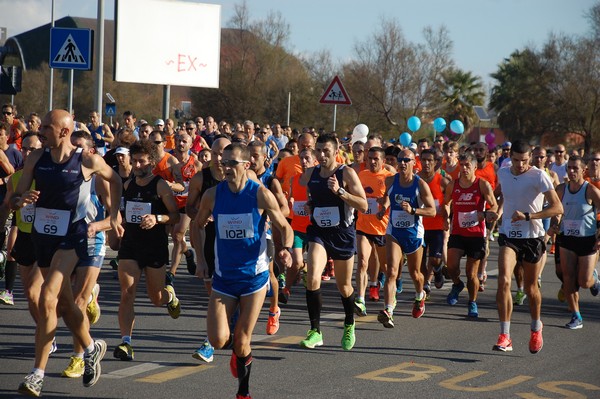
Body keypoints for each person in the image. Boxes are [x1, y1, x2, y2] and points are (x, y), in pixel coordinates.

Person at [12, 109, 122, 396]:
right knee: (64, 304)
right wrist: (20, 199)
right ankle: (91, 347)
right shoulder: (36, 158)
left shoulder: (86, 160)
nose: (41, 129)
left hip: (72, 236)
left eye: (47, 126)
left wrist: (112, 217)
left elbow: (117, 180)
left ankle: (37, 374)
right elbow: (15, 196)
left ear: (63, 131)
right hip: (43, 236)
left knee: (47, 296)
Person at [194, 143, 293, 399]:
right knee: (217, 340)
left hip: (254, 278)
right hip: (224, 277)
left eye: (231, 163)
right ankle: (238, 353)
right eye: (223, 162)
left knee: (241, 341)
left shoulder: (260, 194)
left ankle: (243, 391)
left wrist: (287, 250)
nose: (224, 167)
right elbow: (196, 226)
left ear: (246, 165)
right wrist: (201, 260)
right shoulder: (213, 195)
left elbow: (285, 226)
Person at [299, 133, 367, 350]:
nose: (321, 155)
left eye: (325, 150)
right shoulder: (311, 173)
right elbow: (314, 198)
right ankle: (315, 331)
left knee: (344, 286)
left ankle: (349, 322)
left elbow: (363, 205)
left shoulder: (345, 172)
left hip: (342, 234)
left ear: (336, 151)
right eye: (318, 150)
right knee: (312, 277)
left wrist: (340, 192)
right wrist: (311, 205)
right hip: (319, 232)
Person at [114, 140, 181, 362]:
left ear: (151, 162)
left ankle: (169, 295)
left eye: (141, 161)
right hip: (131, 246)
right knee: (127, 293)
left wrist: (157, 218)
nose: (137, 165)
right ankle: (126, 342)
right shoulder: (127, 186)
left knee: (156, 299)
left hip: (154, 247)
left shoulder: (161, 185)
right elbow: (120, 213)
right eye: (134, 161)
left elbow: (175, 215)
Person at [493, 140, 562, 354]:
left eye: (524, 161)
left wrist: (529, 216)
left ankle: (536, 327)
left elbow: (556, 207)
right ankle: (505, 335)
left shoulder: (539, 176)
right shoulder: (503, 172)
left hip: (532, 236)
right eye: (515, 160)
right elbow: (500, 193)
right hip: (508, 235)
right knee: (504, 280)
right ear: (510, 158)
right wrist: (493, 210)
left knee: (531, 289)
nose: (520, 165)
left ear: (530, 158)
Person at [62, 131, 113, 378]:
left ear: (91, 151)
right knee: (63, 302)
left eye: (80, 147)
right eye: (72, 148)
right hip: (66, 239)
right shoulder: (63, 173)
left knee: (77, 303)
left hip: (93, 239)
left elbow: (115, 217)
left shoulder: (99, 178)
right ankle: (93, 293)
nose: (75, 153)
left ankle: (79, 357)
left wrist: (97, 226)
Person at [377, 149, 435, 328]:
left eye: (406, 160)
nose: (402, 163)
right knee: (392, 271)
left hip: (413, 233)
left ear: (413, 163)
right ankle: (388, 310)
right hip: (394, 231)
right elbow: (388, 197)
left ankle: (420, 295)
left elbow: (432, 211)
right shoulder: (390, 180)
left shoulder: (420, 185)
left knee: (415, 274)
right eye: (400, 160)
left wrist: (413, 210)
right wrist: (383, 208)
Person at [186, 137, 231, 363]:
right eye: (215, 153)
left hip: (234, 246)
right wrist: (203, 215)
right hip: (209, 241)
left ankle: (214, 339)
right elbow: (190, 210)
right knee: (215, 295)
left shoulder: (244, 180)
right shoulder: (201, 179)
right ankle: (215, 337)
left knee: (225, 297)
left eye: (223, 153)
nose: (219, 158)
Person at [442, 153, 497, 317]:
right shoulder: (454, 185)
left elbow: (494, 206)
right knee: (451, 266)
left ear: (474, 167)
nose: (464, 168)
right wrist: (445, 217)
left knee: (471, 273)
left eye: (468, 165)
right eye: (462, 165)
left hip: (476, 235)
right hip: (458, 232)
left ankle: (472, 303)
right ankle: (457, 284)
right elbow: (446, 203)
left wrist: (486, 214)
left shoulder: (482, 185)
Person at [552, 155, 600, 329]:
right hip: (566, 239)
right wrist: (555, 224)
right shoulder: (560, 189)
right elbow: (555, 210)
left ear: (583, 170)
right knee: (568, 278)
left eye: (575, 168)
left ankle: (594, 279)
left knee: (584, 282)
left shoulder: (590, 190)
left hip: (587, 241)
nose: (571, 171)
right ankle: (576, 316)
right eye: (569, 168)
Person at [247, 140, 290, 335]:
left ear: (265, 157)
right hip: (245, 232)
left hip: (266, 232)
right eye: (249, 155)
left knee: (270, 272)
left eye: (256, 155)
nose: (252, 159)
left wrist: (269, 217)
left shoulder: (271, 181)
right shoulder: (242, 178)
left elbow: (285, 208)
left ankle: (273, 310)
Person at [353, 146, 394, 316]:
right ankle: (360, 299)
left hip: (383, 228)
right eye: (369, 158)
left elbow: (392, 197)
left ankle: (391, 299)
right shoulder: (361, 175)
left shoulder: (389, 177)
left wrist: (383, 205)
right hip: (363, 226)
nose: (372, 161)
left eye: (376, 158)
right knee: (362, 262)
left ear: (383, 161)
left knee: (386, 267)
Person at [167, 132, 202, 277]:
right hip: (169, 202)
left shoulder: (196, 164)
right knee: (175, 236)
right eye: (179, 141)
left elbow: (200, 186)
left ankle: (171, 273)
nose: (181, 144)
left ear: (190, 144)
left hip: (187, 204)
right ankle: (187, 253)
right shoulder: (168, 160)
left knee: (177, 235)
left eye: (184, 141)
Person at [417, 149, 451, 298]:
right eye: (423, 160)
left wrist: (447, 217)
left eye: (429, 160)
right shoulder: (415, 179)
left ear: (435, 162)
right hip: (419, 227)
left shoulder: (442, 181)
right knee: (420, 260)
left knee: (435, 259)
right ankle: (425, 284)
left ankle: (437, 271)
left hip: (436, 226)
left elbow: (449, 202)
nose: (426, 163)